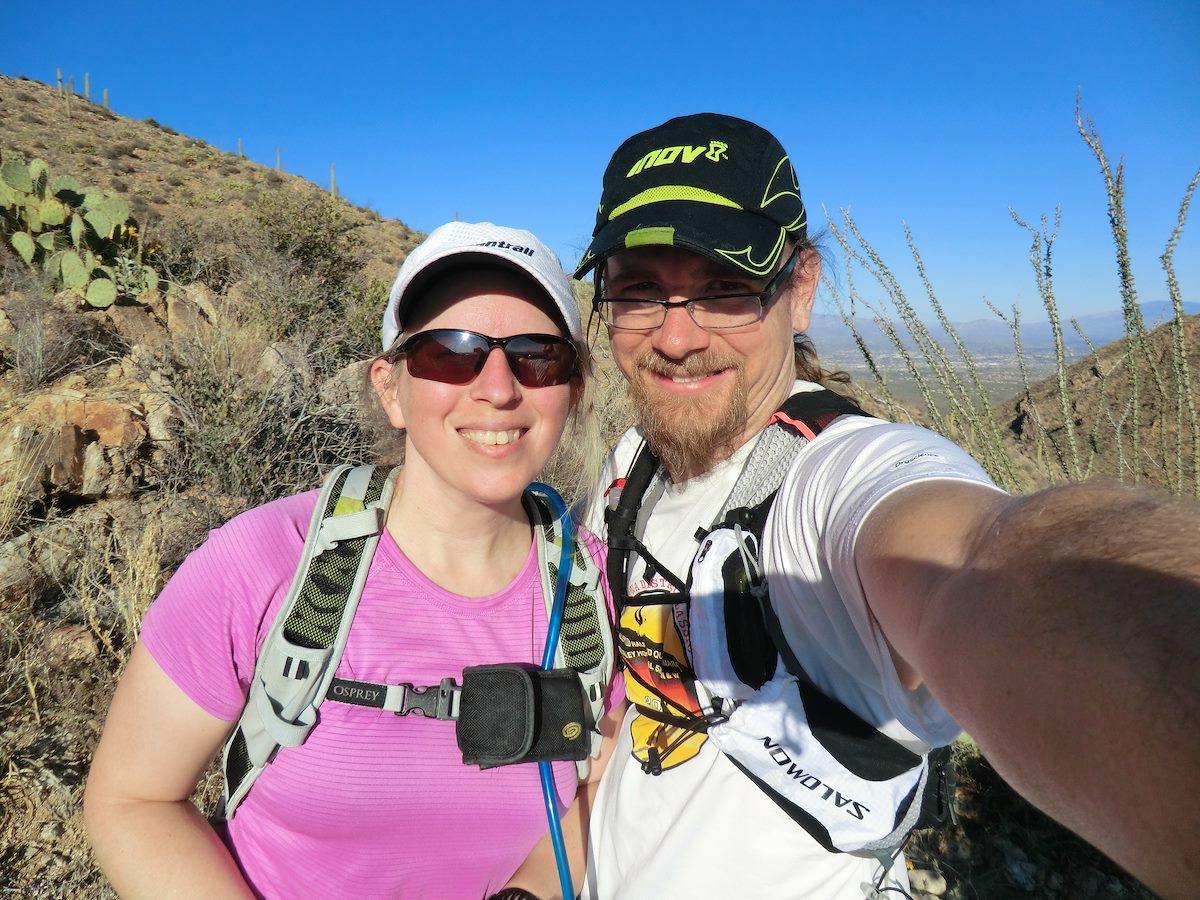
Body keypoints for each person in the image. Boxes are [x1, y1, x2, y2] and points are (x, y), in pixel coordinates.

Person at [571, 112, 1200, 899]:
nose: (675, 336)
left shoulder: (831, 482)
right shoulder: (631, 468)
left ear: (799, 289)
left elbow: (982, 559)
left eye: (725, 290)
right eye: (637, 292)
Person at [84, 221, 619, 899]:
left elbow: (599, 788)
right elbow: (133, 799)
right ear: (391, 388)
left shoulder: (596, 589)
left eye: (537, 357)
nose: (497, 387)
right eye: (451, 354)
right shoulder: (264, 562)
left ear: (570, 391)